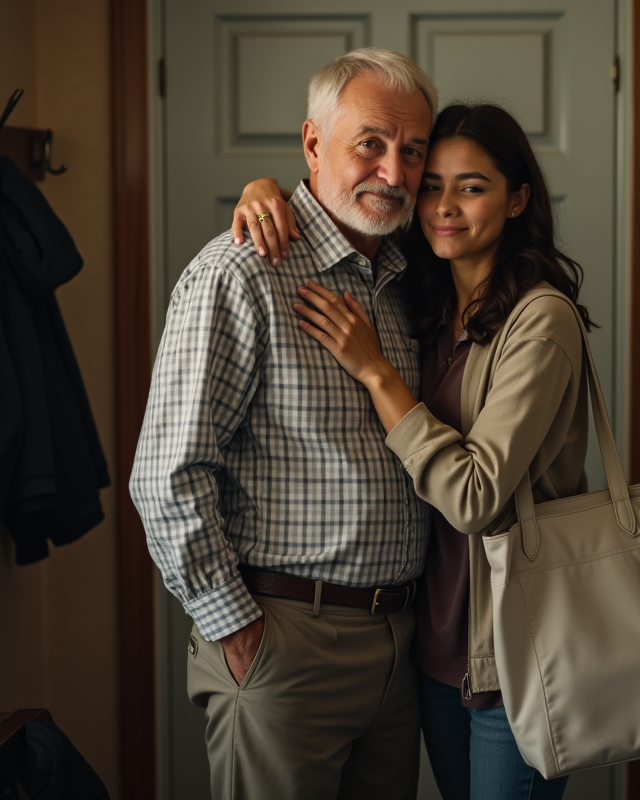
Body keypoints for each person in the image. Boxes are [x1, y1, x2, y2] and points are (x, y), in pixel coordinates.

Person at [232, 102, 594, 800]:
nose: (444, 206)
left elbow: (475, 496)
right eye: (433, 185)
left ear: (518, 199)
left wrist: (375, 372)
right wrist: (266, 191)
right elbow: (338, 193)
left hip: (517, 656)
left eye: (473, 186)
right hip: (430, 653)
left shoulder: (541, 321)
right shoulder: (417, 301)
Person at [129, 48, 438, 800]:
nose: (394, 173)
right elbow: (166, 475)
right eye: (370, 142)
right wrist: (239, 635)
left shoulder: (409, 278)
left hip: (402, 643)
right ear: (311, 143)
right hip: (285, 637)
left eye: (413, 150)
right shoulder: (241, 271)